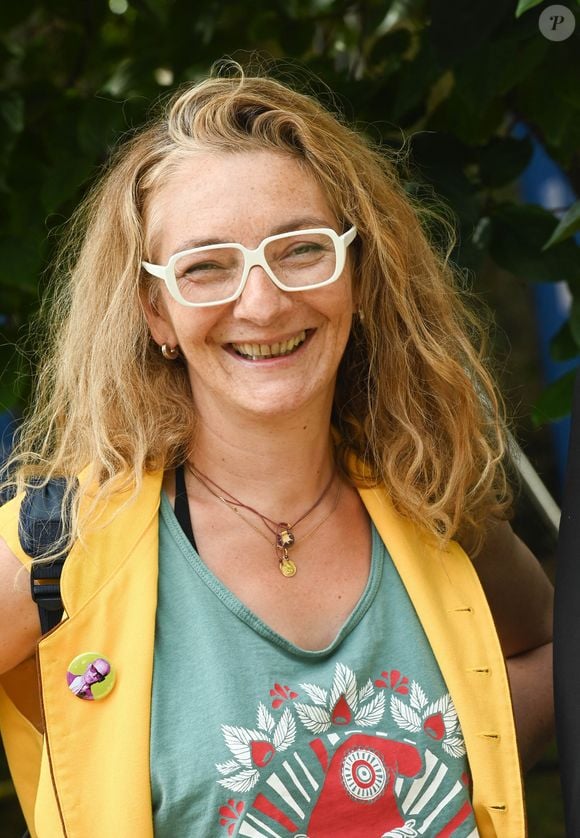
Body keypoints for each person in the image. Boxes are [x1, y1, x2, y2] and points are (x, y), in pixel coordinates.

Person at [0, 62, 553, 837]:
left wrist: (453, 773)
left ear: (358, 273)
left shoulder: (430, 499)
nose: (261, 302)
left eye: (299, 249)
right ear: (156, 312)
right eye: (206, 267)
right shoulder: (60, 553)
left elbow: (546, 654)